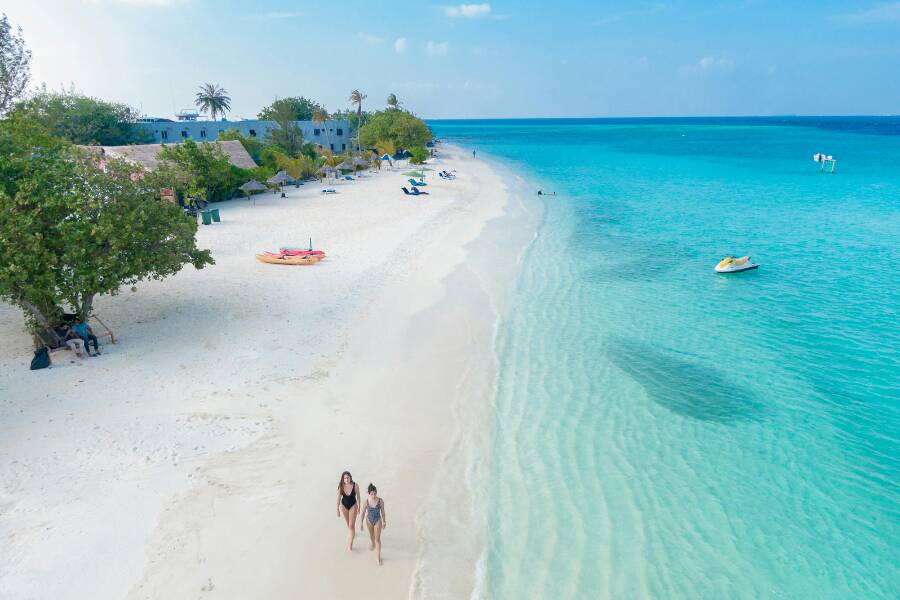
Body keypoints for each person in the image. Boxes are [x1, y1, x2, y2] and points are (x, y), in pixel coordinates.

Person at [361, 483, 386, 565]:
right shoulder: (366, 501)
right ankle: (372, 544)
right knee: (371, 536)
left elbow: (382, 511)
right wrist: (361, 522)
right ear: (369, 493)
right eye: (372, 494)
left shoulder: (380, 501)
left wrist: (384, 521)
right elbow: (363, 512)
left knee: (377, 539)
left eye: (375, 493)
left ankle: (378, 558)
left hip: (378, 520)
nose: (374, 495)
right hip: (369, 520)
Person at [336, 471, 361, 551]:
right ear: (343, 479)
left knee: (351, 525)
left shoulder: (355, 485)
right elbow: (338, 498)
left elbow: (359, 497)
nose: (347, 479)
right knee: (349, 524)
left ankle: (350, 544)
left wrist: (359, 506)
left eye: (348, 477)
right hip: (344, 506)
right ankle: (353, 532)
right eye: (345, 478)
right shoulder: (341, 487)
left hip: (353, 505)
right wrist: (337, 509)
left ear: (350, 477)